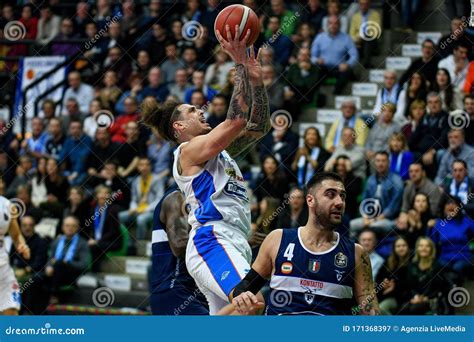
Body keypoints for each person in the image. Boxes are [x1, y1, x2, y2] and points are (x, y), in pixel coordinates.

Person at [141, 27, 270, 314]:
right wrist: (239, 66)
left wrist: (256, 81)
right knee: (252, 303)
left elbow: (258, 127)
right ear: (179, 127)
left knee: (241, 320)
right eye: (192, 110)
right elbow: (236, 121)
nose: (201, 110)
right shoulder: (188, 151)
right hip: (212, 239)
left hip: (234, 240)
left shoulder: (218, 153)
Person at [226, 173, 380, 315]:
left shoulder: (356, 253)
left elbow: (370, 312)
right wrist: (241, 297)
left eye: (343, 196)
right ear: (310, 200)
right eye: (331, 195)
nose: (340, 202)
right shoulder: (278, 239)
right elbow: (246, 286)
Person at [150, 185, 209, 315]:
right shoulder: (177, 198)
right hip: (174, 290)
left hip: (190, 290)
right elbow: (180, 246)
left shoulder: (196, 201)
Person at [350, 151, 404, 237]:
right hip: (369, 217)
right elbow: (365, 200)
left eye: (383, 161)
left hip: (387, 219)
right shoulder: (370, 179)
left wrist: (375, 219)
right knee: (352, 225)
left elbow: (393, 207)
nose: (380, 164)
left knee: (375, 226)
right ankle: (354, 249)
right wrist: (365, 217)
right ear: (374, 163)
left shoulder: (397, 181)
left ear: (388, 163)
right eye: (378, 161)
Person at [311, 15, 358, 94]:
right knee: (315, 70)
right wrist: (316, 60)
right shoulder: (320, 37)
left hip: (339, 68)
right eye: (330, 23)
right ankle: (315, 95)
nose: (333, 26)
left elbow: (354, 56)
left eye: (336, 23)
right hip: (323, 67)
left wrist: (347, 64)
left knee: (346, 72)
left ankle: (336, 94)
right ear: (327, 25)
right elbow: (312, 56)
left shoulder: (346, 38)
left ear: (339, 25)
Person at [399, 237, 447, 315]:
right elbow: (411, 286)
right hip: (416, 298)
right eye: (421, 246)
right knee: (403, 308)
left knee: (414, 309)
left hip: (432, 299)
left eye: (427, 246)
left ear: (431, 249)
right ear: (417, 248)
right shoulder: (412, 265)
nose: (423, 248)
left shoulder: (437, 266)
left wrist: (425, 298)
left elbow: (438, 287)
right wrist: (416, 296)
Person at [430, 197, 474, 281]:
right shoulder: (438, 223)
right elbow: (432, 244)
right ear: (443, 208)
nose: (451, 206)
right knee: (440, 267)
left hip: (464, 257)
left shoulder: (466, 221)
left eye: (454, 203)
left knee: (458, 267)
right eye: (448, 203)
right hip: (444, 258)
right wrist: (429, 228)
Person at [0, 196, 30, 315]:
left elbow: (16, 236)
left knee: (11, 310)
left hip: (3, 269)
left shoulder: (8, 206)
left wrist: (22, 245)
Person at [376, 236, 410, 315]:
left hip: (400, 298)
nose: (401, 248)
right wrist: (383, 284)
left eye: (404, 246)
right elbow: (378, 278)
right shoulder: (388, 260)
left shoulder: (412, 262)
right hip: (384, 294)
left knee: (381, 308)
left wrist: (394, 288)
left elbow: (409, 284)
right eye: (398, 246)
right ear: (394, 248)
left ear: (408, 247)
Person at [332, 155, 363, 220]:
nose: (340, 168)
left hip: (348, 211)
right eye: (338, 165)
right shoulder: (331, 179)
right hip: (332, 210)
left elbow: (352, 192)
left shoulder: (356, 179)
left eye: (343, 165)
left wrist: (349, 172)